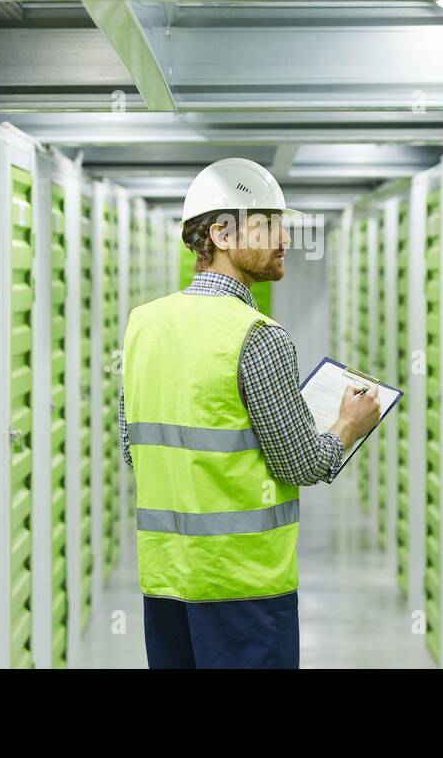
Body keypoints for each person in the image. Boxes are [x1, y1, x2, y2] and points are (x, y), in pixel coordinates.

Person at [118, 157, 381, 668]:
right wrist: (349, 425)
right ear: (219, 233)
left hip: (167, 581)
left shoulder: (143, 325)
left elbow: (137, 452)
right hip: (245, 587)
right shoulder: (258, 335)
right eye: (269, 225)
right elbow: (303, 464)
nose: (285, 239)